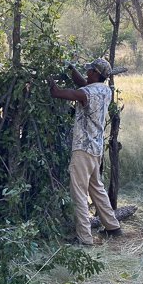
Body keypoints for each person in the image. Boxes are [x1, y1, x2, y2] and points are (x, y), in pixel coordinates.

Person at [48, 58, 122, 246]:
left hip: (82, 149)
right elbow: (82, 85)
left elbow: (56, 93)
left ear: (96, 74)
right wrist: (71, 68)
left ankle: (85, 238)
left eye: (90, 71)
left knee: (78, 192)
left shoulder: (86, 93)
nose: (87, 74)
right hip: (95, 149)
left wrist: (47, 76)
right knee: (96, 187)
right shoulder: (105, 90)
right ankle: (113, 226)